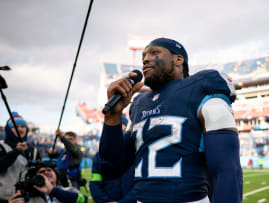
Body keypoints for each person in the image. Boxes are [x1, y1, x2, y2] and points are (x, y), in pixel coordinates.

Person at [99, 37, 242, 203]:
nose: (145, 59)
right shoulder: (139, 103)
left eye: (155, 53)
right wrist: (113, 117)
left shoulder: (200, 88)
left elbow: (226, 170)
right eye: (143, 56)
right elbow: (112, 168)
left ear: (178, 59)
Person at [0, 112, 41, 203]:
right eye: (15, 127)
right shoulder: (0, 145)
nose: (19, 129)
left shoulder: (33, 150)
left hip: (23, 198)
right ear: (8, 129)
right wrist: (16, 151)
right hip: (1, 198)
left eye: (23, 126)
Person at [90, 114, 135, 203]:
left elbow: (140, 186)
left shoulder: (135, 154)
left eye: (121, 130)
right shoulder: (99, 157)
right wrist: (107, 201)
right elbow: (95, 185)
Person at [8, 162, 88, 203]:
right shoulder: (30, 197)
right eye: (41, 172)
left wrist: (53, 191)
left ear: (56, 176)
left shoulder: (69, 190)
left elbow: (84, 199)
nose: (46, 172)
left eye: (49, 170)